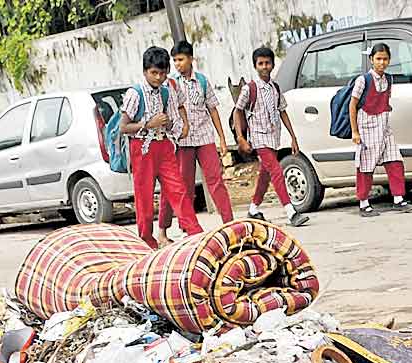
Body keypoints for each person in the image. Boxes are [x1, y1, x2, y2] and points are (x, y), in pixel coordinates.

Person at [120, 46, 203, 248]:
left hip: (164, 146)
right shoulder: (135, 93)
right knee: (144, 197)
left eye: (162, 73)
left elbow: (173, 121)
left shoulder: (166, 92)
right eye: (154, 73)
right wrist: (148, 124)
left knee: (178, 189)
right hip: (143, 149)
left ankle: (194, 232)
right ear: (145, 71)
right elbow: (123, 127)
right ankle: (147, 240)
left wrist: (169, 124)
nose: (158, 77)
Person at [156, 40, 233, 245]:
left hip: (205, 137)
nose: (178, 64)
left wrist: (222, 139)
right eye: (175, 61)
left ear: (191, 59)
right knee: (186, 187)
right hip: (182, 141)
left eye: (181, 59)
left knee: (215, 180)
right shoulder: (170, 83)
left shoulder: (202, 81)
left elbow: (213, 109)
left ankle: (229, 222)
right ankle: (186, 228)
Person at [233, 46, 309, 227]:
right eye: (261, 63)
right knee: (276, 171)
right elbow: (238, 111)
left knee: (265, 175)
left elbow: (282, 111)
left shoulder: (275, 87)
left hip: (273, 136)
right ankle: (291, 212)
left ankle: (253, 209)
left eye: (267, 63)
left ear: (272, 65)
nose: (264, 66)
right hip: (259, 137)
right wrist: (240, 138)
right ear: (255, 66)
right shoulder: (249, 89)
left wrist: (293, 136)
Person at [350, 42, 412, 217]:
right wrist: (355, 132)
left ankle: (398, 199)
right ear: (371, 60)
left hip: (384, 129)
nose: (382, 62)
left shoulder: (389, 79)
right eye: (378, 59)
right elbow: (353, 105)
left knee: (395, 161)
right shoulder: (363, 80)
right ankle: (363, 203)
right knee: (365, 166)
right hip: (367, 129)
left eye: (385, 59)